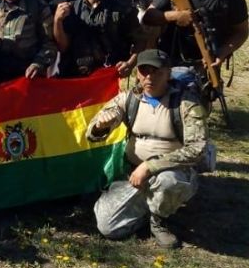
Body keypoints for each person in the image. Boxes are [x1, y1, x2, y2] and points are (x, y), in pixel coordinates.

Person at [87, 49, 208, 248]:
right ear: (137, 73)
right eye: (144, 71)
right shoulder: (128, 99)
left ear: (168, 73)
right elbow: (91, 133)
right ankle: (148, 207)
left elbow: (198, 148)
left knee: (168, 182)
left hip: (174, 172)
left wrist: (150, 166)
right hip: (134, 175)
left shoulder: (187, 104)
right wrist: (100, 126)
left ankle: (159, 222)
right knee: (108, 227)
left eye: (157, 72)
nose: (149, 77)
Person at [54, 0, 142, 77]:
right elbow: (63, 47)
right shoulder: (70, 10)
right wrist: (58, 21)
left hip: (110, 76)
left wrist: (129, 64)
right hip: (75, 76)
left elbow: (140, 41)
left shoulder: (121, 10)